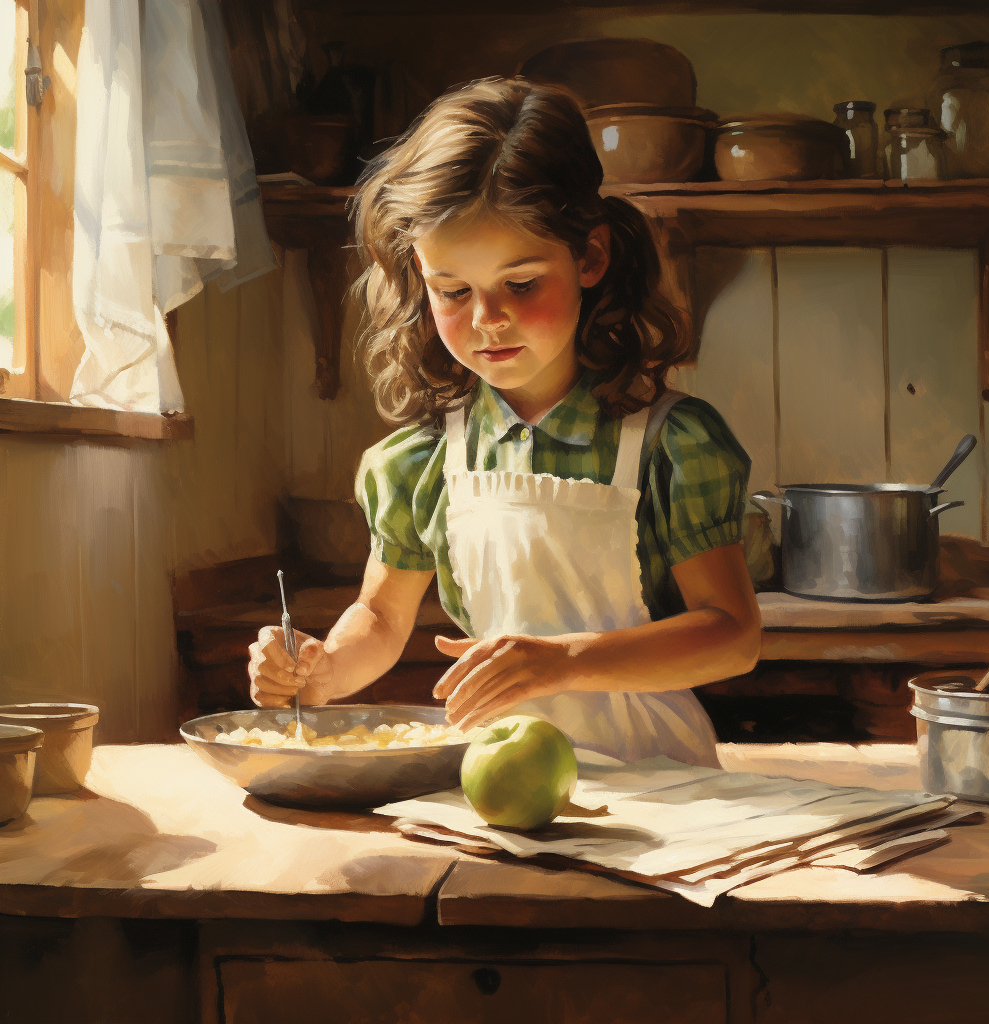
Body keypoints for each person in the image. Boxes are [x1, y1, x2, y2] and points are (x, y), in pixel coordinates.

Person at [247, 77, 761, 768]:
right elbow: (380, 618)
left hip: (660, 778)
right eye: (453, 291)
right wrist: (321, 669)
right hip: (496, 776)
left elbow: (733, 635)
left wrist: (563, 662)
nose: (488, 319)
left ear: (590, 257)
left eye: (520, 283)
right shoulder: (423, 460)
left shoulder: (672, 444)